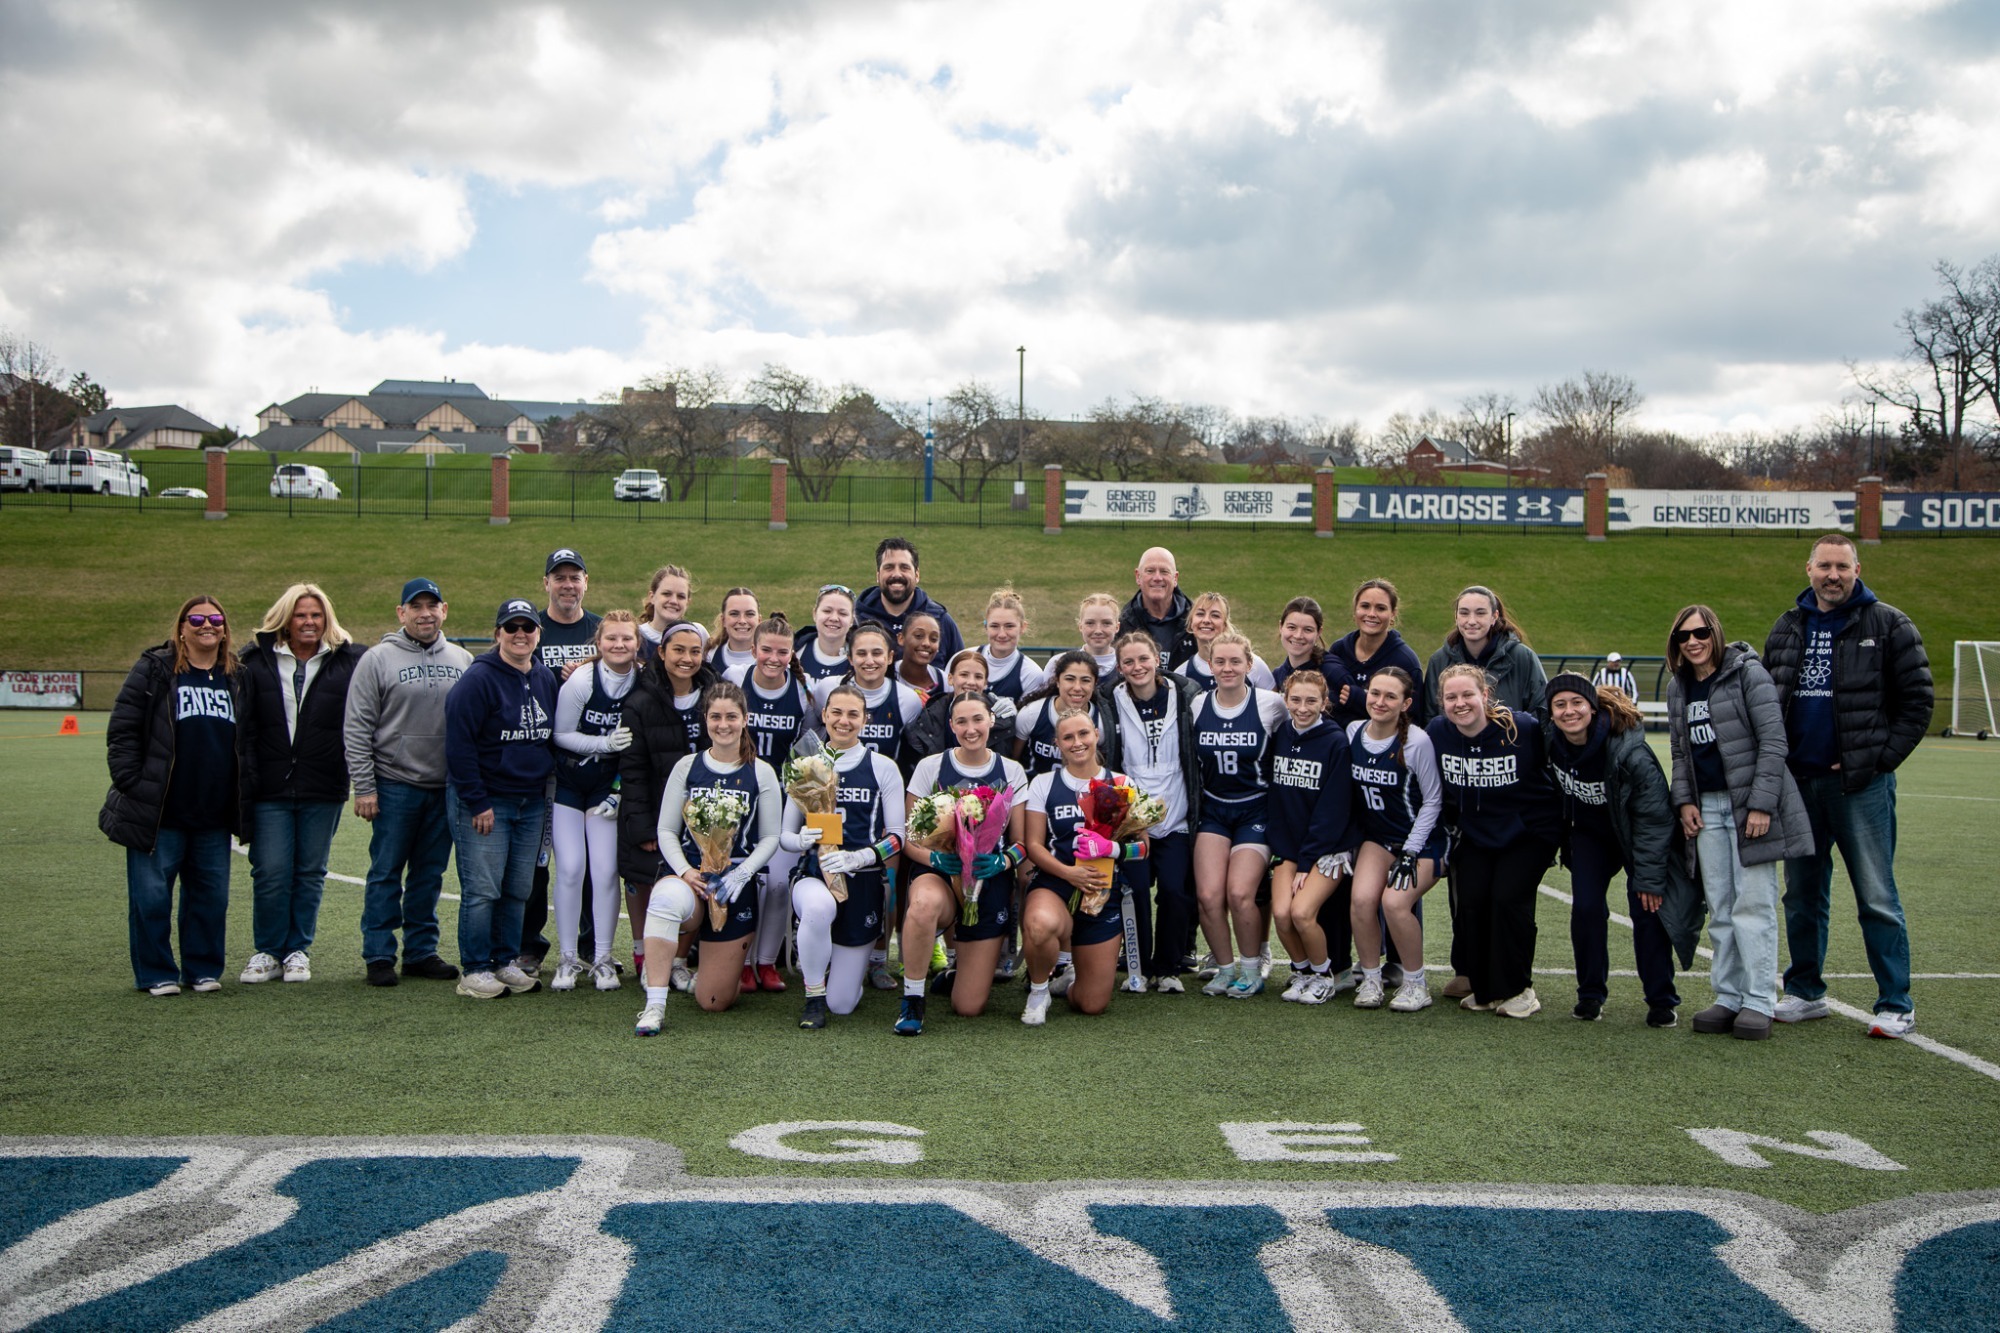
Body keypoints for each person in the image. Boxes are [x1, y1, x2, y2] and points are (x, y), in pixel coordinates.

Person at [1764, 533, 1933, 1039]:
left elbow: (1918, 702)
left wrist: (1875, 761)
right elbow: (1771, 699)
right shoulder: (1789, 625)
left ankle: (1895, 1002)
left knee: (1876, 895)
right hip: (1799, 786)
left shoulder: (1888, 624)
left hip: (1858, 787)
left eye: (1842, 566)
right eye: (1824, 566)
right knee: (1802, 894)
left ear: (1856, 569)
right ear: (1808, 569)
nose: (1832, 575)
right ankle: (1805, 991)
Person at [1666, 605, 1813, 1040]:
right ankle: (1728, 995)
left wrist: (1762, 804)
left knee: (1753, 904)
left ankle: (1758, 1000)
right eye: (1682, 637)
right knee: (1722, 907)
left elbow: (1773, 740)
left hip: (1747, 805)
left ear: (1715, 633)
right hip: (1707, 808)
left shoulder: (1748, 673)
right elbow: (1679, 752)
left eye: (1699, 633)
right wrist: (1685, 802)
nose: (1692, 642)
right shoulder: (1679, 687)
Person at [101, 596, 245, 996]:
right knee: (150, 900)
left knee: (210, 900)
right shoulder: (155, 670)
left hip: (213, 814)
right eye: (196, 618)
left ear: (224, 628)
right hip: (160, 813)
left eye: (216, 618)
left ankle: (201, 969)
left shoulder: (236, 676)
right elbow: (123, 731)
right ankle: (156, 972)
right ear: (181, 627)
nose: (207, 625)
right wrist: (133, 782)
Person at [634, 682, 785, 1033]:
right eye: (715, 716)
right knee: (667, 897)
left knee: (714, 1001)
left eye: (731, 716)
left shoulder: (760, 771)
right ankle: (654, 1005)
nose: (723, 724)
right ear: (705, 720)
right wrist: (686, 872)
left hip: (734, 884)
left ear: (745, 719)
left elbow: (771, 837)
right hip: (693, 878)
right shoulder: (687, 766)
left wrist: (741, 874)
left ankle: (711, 965)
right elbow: (667, 831)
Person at [1544, 673, 1692, 1027]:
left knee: (1647, 908)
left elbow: (1655, 819)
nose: (1569, 711)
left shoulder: (1630, 752)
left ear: (1592, 708)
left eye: (1577, 703)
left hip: (1635, 835)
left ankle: (1661, 999)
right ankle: (1590, 994)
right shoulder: (1549, 740)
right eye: (1560, 704)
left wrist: (1650, 878)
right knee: (1587, 908)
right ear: (1549, 712)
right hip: (1591, 836)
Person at [235, 583, 365, 985]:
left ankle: (296, 951)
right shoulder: (254, 661)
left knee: (309, 871)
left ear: (327, 619)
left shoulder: (350, 660)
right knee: (271, 869)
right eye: (300, 615)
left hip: (323, 785)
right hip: (269, 786)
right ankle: (267, 950)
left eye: (316, 615)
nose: (309, 622)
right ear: (285, 620)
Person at [344, 577, 470, 987]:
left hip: (443, 787)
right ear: (401, 613)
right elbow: (357, 727)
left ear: (444, 610)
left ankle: (420, 951)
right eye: (415, 606)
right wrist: (364, 786)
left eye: (432, 605)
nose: (424, 613)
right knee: (386, 871)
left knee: (429, 874)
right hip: (395, 783)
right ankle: (379, 953)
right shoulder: (377, 659)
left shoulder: (463, 659)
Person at [1427, 663, 1563, 1018]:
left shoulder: (1522, 728)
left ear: (1484, 696)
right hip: (1476, 834)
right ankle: (1487, 988)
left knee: (1507, 898)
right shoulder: (1439, 732)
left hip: (1529, 832)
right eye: (1451, 697)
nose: (1461, 703)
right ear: (1441, 702)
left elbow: (1553, 766)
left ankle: (1520, 988)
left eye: (1468, 694)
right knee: (1471, 901)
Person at [445, 598, 559, 1000]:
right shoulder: (479, 680)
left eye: (528, 627)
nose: (520, 634)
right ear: (497, 634)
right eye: (511, 627)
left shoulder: (544, 678)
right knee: (483, 890)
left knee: (517, 888)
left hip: (529, 801)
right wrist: (477, 801)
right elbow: (459, 746)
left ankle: (504, 960)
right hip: (489, 800)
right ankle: (474, 968)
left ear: (538, 634)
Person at [898, 690, 1030, 1033]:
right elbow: (909, 840)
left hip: (988, 879)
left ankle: (956, 974)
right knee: (923, 904)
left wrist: (1002, 862)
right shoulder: (931, 766)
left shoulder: (1011, 771)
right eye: (961, 721)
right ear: (951, 725)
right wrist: (936, 859)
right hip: (941, 872)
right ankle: (913, 999)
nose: (970, 728)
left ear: (991, 721)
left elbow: (1021, 844)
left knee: (968, 1007)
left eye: (977, 719)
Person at [782, 682, 908, 1028]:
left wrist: (861, 857)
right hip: (814, 872)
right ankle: (812, 995)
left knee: (843, 1005)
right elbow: (784, 837)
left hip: (863, 881)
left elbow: (898, 837)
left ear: (865, 719)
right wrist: (802, 838)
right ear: (824, 715)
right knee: (819, 907)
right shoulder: (806, 764)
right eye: (836, 712)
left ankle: (836, 975)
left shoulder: (882, 767)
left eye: (853, 714)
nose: (844, 720)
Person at [1020, 707, 1140, 1025]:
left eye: (1083, 733)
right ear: (1057, 743)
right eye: (1068, 737)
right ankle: (1038, 989)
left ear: (1096, 735)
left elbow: (1142, 848)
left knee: (1092, 1004)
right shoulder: (1044, 784)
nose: (1077, 742)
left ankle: (1070, 982)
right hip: (1056, 883)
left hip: (1101, 891)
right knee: (1040, 924)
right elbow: (1033, 845)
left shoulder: (1121, 783)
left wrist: (1110, 848)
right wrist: (1069, 873)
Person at [618, 620, 719, 989]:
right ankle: (650, 958)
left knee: (697, 883)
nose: (687, 658)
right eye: (678, 650)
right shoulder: (641, 701)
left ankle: (678, 961)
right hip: (656, 814)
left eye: (695, 651)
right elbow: (633, 770)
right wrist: (643, 827)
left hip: (706, 817)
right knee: (649, 884)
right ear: (661, 652)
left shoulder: (715, 693)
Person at [1101, 631, 1202, 993]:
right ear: (1119, 666)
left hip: (1175, 818)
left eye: (1143, 659)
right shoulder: (1109, 700)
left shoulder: (1186, 695)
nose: (1136, 667)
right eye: (1128, 661)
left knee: (1175, 891)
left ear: (1156, 657)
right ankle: (1138, 966)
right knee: (1136, 890)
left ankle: (1170, 967)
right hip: (1132, 822)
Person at [1189, 631, 1289, 998]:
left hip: (1255, 808)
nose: (1228, 668)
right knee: (1209, 894)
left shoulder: (1270, 704)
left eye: (1235, 661)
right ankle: (1225, 966)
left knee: (1239, 892)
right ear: (1210, 665)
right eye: (1220, 661)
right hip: (1215, 808)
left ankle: (1251, 967)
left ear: (1249, 665)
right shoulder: (1199, 704)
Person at [1344, 667, 1446, 1013]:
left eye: (1390, 696)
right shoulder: (1354, 730)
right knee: (1360, 901)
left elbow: (1433, 800)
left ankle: (1416, 982)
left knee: (1395, 903)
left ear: (1406, 703)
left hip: (1421, 841)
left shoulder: (1416, 741)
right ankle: (1371, 978)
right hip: (1378, 838)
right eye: (1375, 693)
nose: (1380, 701)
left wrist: (1411, 850)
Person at [724, 614, 817, 992]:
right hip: (736, 798)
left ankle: (766, 962)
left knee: (778, 884)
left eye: (782, 651)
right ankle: (741, 962)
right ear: (753, 649)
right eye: (767, 650)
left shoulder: (801, 691)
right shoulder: (734, 679)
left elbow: (807, 751)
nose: (773, 658)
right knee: (744, 881)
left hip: (781, 800)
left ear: (791, 653)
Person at [549, 610, 640, 993]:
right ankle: (568, 957)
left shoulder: (643, 681)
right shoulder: (583, 681)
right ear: (598, 643)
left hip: (608, 785)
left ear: (638, 643)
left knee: (604, 872)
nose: (619, 645)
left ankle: (603, 957)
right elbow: (561, 734)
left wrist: (620, 790)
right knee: (571, 868)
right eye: (611, 639)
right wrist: (603, 744)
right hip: (570, 781)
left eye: (627, 639)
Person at [523, 547, 601, 973]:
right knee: (536, 863)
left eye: (575, 577)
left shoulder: (599, 629)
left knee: (586, 862)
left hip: (585, 765)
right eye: (560, 577)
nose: (568, 585)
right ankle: (530, 946)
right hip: (537, 763)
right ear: (547, 583)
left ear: (586, 582)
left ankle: (589, 946)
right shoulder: (528, 627)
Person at [1265, 670, 1356, 1004]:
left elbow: (1332, 811)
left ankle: (1323, 976)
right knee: (1282, 914)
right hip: (1290, 848)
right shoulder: (1281, 734)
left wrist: (1307, 861)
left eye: (1311, 701)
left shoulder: (1335, 742)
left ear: (1324, 702)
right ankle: (1302, 972)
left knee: (1302, 913)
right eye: (1296, 700)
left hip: (1328, 850)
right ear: (1286, 699)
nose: (1302, 708)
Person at [1423, 584, 1546, 718]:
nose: (1471, 621)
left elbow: (1541, 711)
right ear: (1456, 617)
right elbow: (1430, 715)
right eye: (1464, 613)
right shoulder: (1439, 660)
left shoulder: (1523, 657)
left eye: (1480, 613)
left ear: (1494, 616)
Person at [1326, 579, 1425, 727]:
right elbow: (1327, 704)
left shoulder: (1406, 662)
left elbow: (1412, 721)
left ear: (1393, 614)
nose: (1371, 614)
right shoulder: (1338, 650)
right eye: (1365, 606)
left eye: (1381, 608)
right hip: (1337, 743)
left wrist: (1361, 700)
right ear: (1355, 610)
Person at [853, 536, 965, 659]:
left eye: (904, 567)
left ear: (917, 575)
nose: (896, 574)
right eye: (889, 567)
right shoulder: (856, 619)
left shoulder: (940, 620)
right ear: (878, 575)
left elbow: (960, 669)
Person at [1014, 650, 1107, 779]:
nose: (1077, 687)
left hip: (1083, 794)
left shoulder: (1102, 721)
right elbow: (1013, 760)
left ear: (1094, 684)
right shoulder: (1032, 713)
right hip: (1035, 792)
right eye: (1070, 679)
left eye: (1085, 680)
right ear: (1057, 681)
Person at [1181, 591, 1277, 691]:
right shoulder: (1182, 673)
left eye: (1215, 615)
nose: (1206, 620)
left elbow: (1274, 703)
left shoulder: (1253, 665)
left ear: (1225, 625)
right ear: (1191, 622)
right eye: (1200, 614)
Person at [1119, 546, 1196, 668]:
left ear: (1175, 578)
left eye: (1164, 571)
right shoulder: (1121, 624)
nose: (1157, 578)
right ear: (1138, 576)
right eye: (1150, 571)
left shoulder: (1197, 622)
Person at [978, 588, 1046, 703]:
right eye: (994, 626)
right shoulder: (963, 660)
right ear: (986, 627)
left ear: (1023, 627)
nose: (1002, 634)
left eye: (1009, 626)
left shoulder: (1031, 674)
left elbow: (1028, 720)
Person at [792, 584, 855, 682]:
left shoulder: (861, 659)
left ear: (852, 620)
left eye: (842, 613)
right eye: (827, 611)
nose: (834, 618)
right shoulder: (795, 652)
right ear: (814, 614)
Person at [637, 565, 692, 665]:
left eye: (681, 596)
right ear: (652, 597)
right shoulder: (633, 636)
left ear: (688, 603)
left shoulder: (697, 634)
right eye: (666, 594)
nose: (674, 601)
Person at [894, 611, 947, 701]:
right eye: (918, 636)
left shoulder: (945, 682)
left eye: (933, 639)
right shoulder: (886, 676)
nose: (926, 643)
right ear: (901, 638)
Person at [709, 586, 760, 676]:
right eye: (734, 614)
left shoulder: (772, 658)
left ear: (759, 620)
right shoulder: (710, 656)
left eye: (750, 614)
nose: (742, 621)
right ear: (723, 620)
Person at [1075, 592, 1123, 680]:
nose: (1098, 631)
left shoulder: (1129, 666)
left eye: (1106, 623)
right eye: (1090, 623)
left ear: (1117, 627)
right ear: (1080, 626)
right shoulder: (1059, 664)